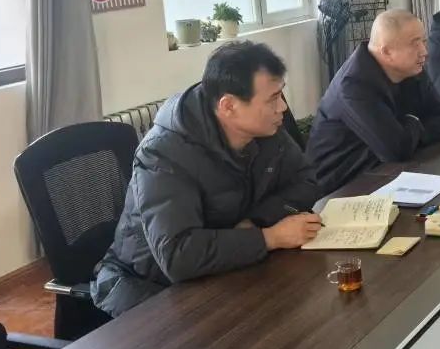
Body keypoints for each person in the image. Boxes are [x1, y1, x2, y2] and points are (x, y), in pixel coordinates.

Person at [91, 42, 322, 317]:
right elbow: (178, 256)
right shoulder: (163, 154)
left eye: (281, 94)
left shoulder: (264, 129)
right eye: (272, 99)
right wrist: (269, 237)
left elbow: (307, 180)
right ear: (229, 106)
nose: (282, 107)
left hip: (223, 270)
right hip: (148, 287)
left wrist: (255, 221)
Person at [306, 9, 440, 194]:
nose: (424, 52)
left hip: (387, 170)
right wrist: (415, 123)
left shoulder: (411, 68)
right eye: (414, 44)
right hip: (341, 186)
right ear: (386, 51)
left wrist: (412, 129)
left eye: (423, 41)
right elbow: (396, 149)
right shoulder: (354, 85)